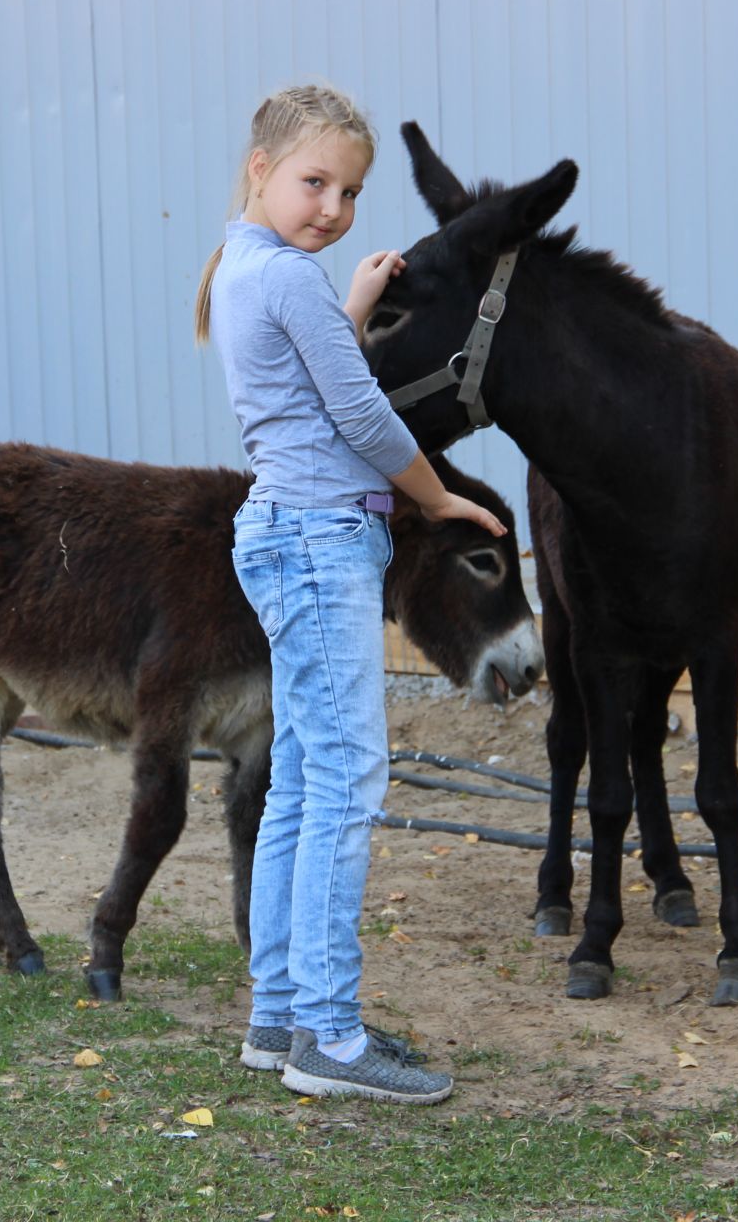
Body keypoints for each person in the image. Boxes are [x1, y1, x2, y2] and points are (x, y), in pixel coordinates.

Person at [195, 84, 505, 1105]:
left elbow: (307, 369)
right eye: (313, 181)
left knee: (299, 775)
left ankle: (278, 1012)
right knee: (344, 781)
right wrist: (444, 499)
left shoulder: (251, 267)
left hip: (286, 531)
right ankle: (328, 1032)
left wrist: (356, 300)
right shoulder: (287, 280)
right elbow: (364, 417)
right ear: (260, 167)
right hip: (324, 540)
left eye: (349, 192)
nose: (331, 206)